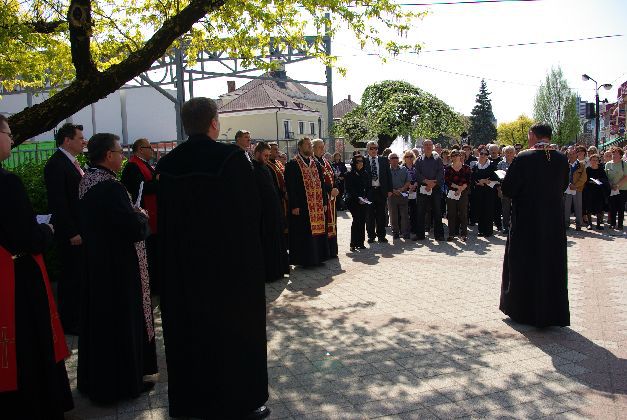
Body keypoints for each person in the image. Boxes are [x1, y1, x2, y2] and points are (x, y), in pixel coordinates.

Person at [155, 97, 269, 419]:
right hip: (227, 269)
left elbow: (166, 222)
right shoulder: (231, 159)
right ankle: (238, 403)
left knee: (189, 334)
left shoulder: (167, 165)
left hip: (183, 271)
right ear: (214, 124)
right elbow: (250, 214)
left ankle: (190, 403)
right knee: (232, 335)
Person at [0, 115, 73, 419]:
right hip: (14, 279)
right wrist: (47, 231)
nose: (12, 139)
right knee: (26, 345)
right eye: (8, 133)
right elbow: (27, 238)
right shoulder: (7, 183)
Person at [77, 133, 158, 404]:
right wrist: (142, 216)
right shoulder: (111, 187)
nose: (122, 157)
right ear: (108, 155)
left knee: (101, 323)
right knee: (121, 323)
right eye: (119, 152)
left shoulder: (88, 180)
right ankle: (124, 382)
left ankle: (96, 380)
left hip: (98, 263)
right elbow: (132, 227)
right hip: (118, 267)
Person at [500, 123, 570, 327]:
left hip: (526, 221)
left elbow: (509, 189)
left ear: (532, 135)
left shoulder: (524, 157)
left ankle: (523, 311)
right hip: (552, 222)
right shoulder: (561, 158)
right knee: (550, 263)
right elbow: (564, 185)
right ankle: (551, 312)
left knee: (524, 262)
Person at [43, 122, 86, 334]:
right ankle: (70, 322)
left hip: (80, 229)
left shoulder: (71, 162)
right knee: (71, 277)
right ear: (67, 140)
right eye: (80, 138)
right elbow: (59, 203)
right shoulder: (56, 164)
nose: (84, 142)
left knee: (78, 275)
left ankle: (79, 317)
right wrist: (72, 232)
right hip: (71, 233)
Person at [121, 138, 161, 295]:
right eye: (149, 147)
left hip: (151, 214)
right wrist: (158, 181)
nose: (152, 150)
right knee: (148, 253)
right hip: (143, 215)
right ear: (140, 149)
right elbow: (140, 189)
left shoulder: (144, 164)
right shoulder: (133, 166)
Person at [285, 137, 329, 266]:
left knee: (318, 231)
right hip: (303, 205)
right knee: (305, 232)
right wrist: (294, 205)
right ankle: (306, 260)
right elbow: (291, 186)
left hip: (317, 205)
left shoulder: (315, 163)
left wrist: (324, 202)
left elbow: (322, 184)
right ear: (300, 147)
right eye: (307, 144)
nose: (310, 146)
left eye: (310, 144)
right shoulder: (293, 164)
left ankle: (318, 257)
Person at [252, 142, 289, 281]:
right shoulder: (252, 169)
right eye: (265, 155)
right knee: (268, 244)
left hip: (274, 210)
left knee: (277, 241)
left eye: (268, 155)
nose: (267, 158)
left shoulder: (265, 167)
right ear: (257, 153)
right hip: (263, 214)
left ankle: (279, 270)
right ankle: (270, 273)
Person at [313, 139, 340, 258]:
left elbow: (334, 177)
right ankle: (326, 252)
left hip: (332, 199)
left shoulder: (326, 161)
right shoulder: (313, 162)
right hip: (322, 199)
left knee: (333, 224)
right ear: (313, 148)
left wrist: (336, 187)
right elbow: (318, 181)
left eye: (323, 147)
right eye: (319, 147)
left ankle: (332, 250)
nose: (322, 149)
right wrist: (330, 189)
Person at [415, 139, 445, 241]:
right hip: (423, 188)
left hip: (435, 188)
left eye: (430, 145)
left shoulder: (438, 159)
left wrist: (432, 184)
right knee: (420, 212)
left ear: (432, 147)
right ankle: (420, 235)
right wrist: (426, 181)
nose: (428, 146)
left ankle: (439, 235)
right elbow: (417, 173)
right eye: (426, 145)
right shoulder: (419, 160)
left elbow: (441, 173)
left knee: (437, 212)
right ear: (423, 147)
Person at [364, 141, 393, 243]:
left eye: (375, 148)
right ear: (367, 149)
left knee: (381, 215)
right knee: (369, 215)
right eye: (371, 148)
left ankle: (381, 236)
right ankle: (371, 236)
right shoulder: (364, 160)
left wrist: (390, 190)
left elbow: (388, 175)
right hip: (369, 192)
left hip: (381, 191)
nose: (374, 150)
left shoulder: (383, 160)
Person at [444, 150, 471, 241]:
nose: (455, 157)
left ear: (460, 156)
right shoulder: (448, 168)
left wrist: (460, 189)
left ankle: (464, 234)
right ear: (451, 157)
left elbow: (468, 181)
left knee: (463, 213)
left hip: (463, 193)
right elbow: (447, 181)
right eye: (453, 155)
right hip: (452, 193)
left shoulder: (466, 168)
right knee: (451, 214)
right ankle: (451, 234)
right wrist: (457, 188)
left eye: (457, 155)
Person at [344, 154, 370, 251]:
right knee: (356, 220)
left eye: (362, 161)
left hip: (364, 201)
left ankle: (361, 243)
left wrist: (365, 198)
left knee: (362, 220)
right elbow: (349, 189)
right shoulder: (349, 174)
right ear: (354, 163)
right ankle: (353, 244)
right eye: (358, 161)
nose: (360, 163)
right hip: (353, 201)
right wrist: (358, 198)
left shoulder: (365, 173)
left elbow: (368, 187)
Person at [583, 154, 610, 230]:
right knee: (589, 207)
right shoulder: (587, 169)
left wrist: (599, 180)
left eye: (596, 160)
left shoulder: (601, 169)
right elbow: (584, 179)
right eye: (593, 160)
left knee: (599, 207)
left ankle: (598, 224)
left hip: (599, 191)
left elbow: (605, 179)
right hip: (589, 190)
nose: (594, 161)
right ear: (590, 161)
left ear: (598, 161)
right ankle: (590, 224)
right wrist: (590, 182)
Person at [387, 153, 410, 239]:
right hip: (391, 195)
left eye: (396, 158)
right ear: (389, 160)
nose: (395, 159)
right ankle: (395, 233)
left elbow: (408, 181)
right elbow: (384, 183)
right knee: (393, 215)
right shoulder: (386, 170)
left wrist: (402, 189)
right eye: (392, 158)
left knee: (404, 215)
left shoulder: (404, 169)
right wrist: (393, 190)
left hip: (403, 194)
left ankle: (405, 233)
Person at [267, 142, 288, 235]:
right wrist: (282, 193)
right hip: (277, 197)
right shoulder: (267, 164)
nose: (277, 151)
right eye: (274, 149)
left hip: (285, 197)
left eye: (277, 149)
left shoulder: (279, 163)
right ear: (269, 151)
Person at [564, 146, 587, 231]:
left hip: (577, 189)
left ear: (576, 154)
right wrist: (568, 184)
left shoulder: (581, 165)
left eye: (573, 153)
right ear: (567, 155)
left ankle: (579, 224)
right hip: (567, 188)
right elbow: (562, 176)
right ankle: (566, 223)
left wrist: (575, 185)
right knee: (566, 207)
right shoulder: (564, 165)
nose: (571, 155)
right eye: (570, 154)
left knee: (578, 207)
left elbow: (584, 178)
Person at [605, 146, 627, 231]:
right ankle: (613, 224)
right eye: (613, 153)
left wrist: (617, 185)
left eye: (617, 154)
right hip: (611, 189)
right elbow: (606, 177)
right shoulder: (608, 164)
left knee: (621, 207)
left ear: (621, 155)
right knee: (612, 207)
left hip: (622, 189)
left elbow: (626, 177)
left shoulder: (624, 164)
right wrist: (611, 185)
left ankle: (620, 224)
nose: (614, 155)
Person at [497, 146, 516, 234]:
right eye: (507, 152)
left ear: (514, 153)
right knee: (505, 209)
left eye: (511, 152)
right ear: (504, 153)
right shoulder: (500, 164)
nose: (509, 154)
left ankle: (515, 226)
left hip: (516, 189)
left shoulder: (518, 162)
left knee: (516, 208)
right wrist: (499, 189)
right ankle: (505, 227)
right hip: (505, 189)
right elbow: (497, 177)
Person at [402, 151, 419, 240]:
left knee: (414, 211)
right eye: (407, 156)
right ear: (404, 158)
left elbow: (419, 177)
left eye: (411, 156)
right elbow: (401, 179)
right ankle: (404, 230)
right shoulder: (402, 167)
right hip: (405, 191)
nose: (409, 158)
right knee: (405, 212)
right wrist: (409, 186)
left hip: (415, 191)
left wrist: (415, 184)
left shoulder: (416, 167)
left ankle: (414, 229)